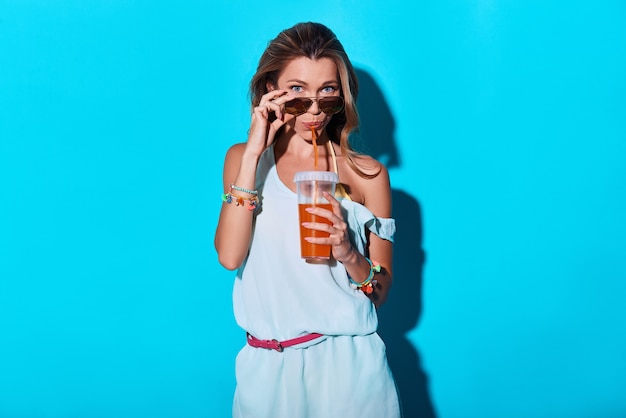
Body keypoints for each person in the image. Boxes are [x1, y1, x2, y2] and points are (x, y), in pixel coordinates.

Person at [215, 22, 401, 417]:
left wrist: (350, 253)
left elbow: (381, 291)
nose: (314, 111)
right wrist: (252, 154)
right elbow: (230, 256)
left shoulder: (367, 175)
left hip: (350, 369)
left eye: (327, 93)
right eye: (297, 92)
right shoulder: (242, 161)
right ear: (272, 91)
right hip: (267, 367)